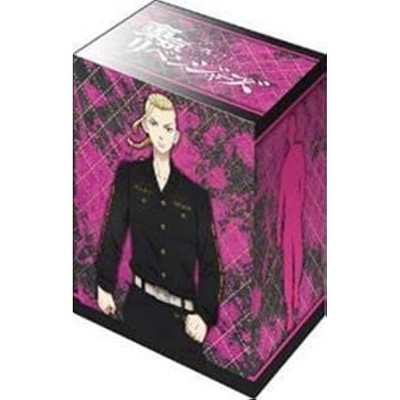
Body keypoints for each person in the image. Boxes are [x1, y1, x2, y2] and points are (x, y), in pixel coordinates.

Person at [95, 93, 222, 363]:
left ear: (176, 135)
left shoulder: (196, 197)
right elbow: (114, 231)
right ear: (145, 126)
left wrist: (204, 314)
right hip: (139, 306)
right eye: (155, 124)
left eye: (168, 128)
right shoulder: (130, 176)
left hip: (183, 320)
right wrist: (104, 285)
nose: (162, 134)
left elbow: (210, 262)